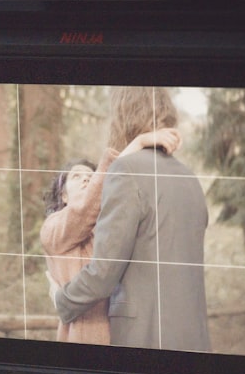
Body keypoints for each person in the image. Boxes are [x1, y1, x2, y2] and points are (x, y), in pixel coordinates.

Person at [50, 87, 211, 352]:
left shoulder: (126, 171)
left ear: (123, 115)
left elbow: (103, 272)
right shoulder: (189, 178)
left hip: (144, 340)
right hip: (195, 339)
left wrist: (62, 300)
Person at [41, 126, 181, 344]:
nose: (86, 179)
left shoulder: (105, 227)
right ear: (64, 195)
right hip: (84, 334)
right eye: (77, 176)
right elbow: (87, 205)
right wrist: (139, 142)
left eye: (90, 175)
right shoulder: (52, 228)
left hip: (122, 333)